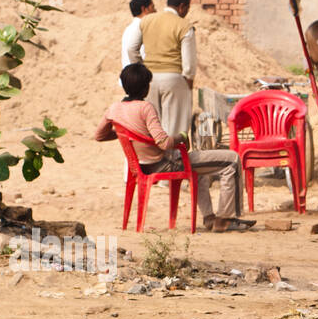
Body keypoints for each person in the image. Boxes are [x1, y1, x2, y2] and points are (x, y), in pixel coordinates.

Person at [94, 63, 253, 233]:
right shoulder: (145, 108)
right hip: (166, 163)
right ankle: (226, 218)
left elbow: (99, 135)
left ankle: (209, 218)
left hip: (142, 166)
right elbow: (164, 143)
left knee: (199, 173)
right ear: (146, 88)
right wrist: (182, 136)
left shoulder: (114, 108)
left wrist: (126, 133)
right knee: (232, 159)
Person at [127, 0, 196, 139]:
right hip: (174, 79)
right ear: (182, 6)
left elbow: (131, 48)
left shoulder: (146, 20)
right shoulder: (184, 26)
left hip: (149, 80)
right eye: (187, 9)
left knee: (153, 125)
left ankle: (156, 160)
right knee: (174, 128)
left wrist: (141, 70)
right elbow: (189, 64)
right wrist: (188, 82)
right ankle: (172, 160)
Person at [120, 0, 154, 70]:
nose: (155, 11)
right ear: (144, 9)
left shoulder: (128, 29)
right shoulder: (144, 28)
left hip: (128, 77)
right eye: (153, 7)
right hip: (140, 77)